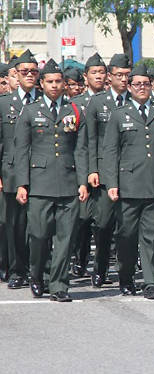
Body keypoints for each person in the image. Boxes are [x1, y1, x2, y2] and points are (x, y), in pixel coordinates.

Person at [101, 62, 154, 299]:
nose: (142, 88)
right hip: (128, 185)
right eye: (137, 84)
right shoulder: (119, 115)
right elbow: (110, 151)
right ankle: (126, 277)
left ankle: (151, 282)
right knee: (126, 236)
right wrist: (112, 183)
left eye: (146, 84)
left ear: (152, 86)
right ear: (129, 87)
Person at [13, 59, 89, 301]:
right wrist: (22, 183)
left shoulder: (75, 110)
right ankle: (37, 274)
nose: (55, 86)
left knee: (65, 239)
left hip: (68, 181)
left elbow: (81, 149)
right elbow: (21, 150)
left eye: (58, 82)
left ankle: (59, 285)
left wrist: (83, 181)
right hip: (39, 183)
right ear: (42, 83)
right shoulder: (30, 111)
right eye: (50, 82)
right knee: (38, 235)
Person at [85, 53, 131, 288]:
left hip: (132, 171)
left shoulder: (136, 100)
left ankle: (125, 272)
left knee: (127, 226)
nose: (123, 80)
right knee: (103, 225)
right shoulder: (98, 102)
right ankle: (100, 267)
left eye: (126, 75)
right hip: (104, 172)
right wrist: (92, 168)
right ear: (109, 76)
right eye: (119, 75)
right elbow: (90, 139)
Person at [0, 49, 40, 289]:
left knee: (41, 225)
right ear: (15, 73)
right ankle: (17, 270)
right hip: (12, 170)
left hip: (41, 169)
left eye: (33, 71)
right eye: (24, 71)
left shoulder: (44, 100)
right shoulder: (5, 103)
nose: (29, 75)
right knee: (15, 224)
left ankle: (39, 269)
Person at [69, 53, 107, 279]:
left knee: (103, 223)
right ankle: (80, 258)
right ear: (86, 76)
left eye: (102, 72)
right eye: (94, 72)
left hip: (104, 169)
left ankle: (99, 268)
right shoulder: (75, 104)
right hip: (81, 168)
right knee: (82, 219)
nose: (99, 76)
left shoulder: (112, 102)